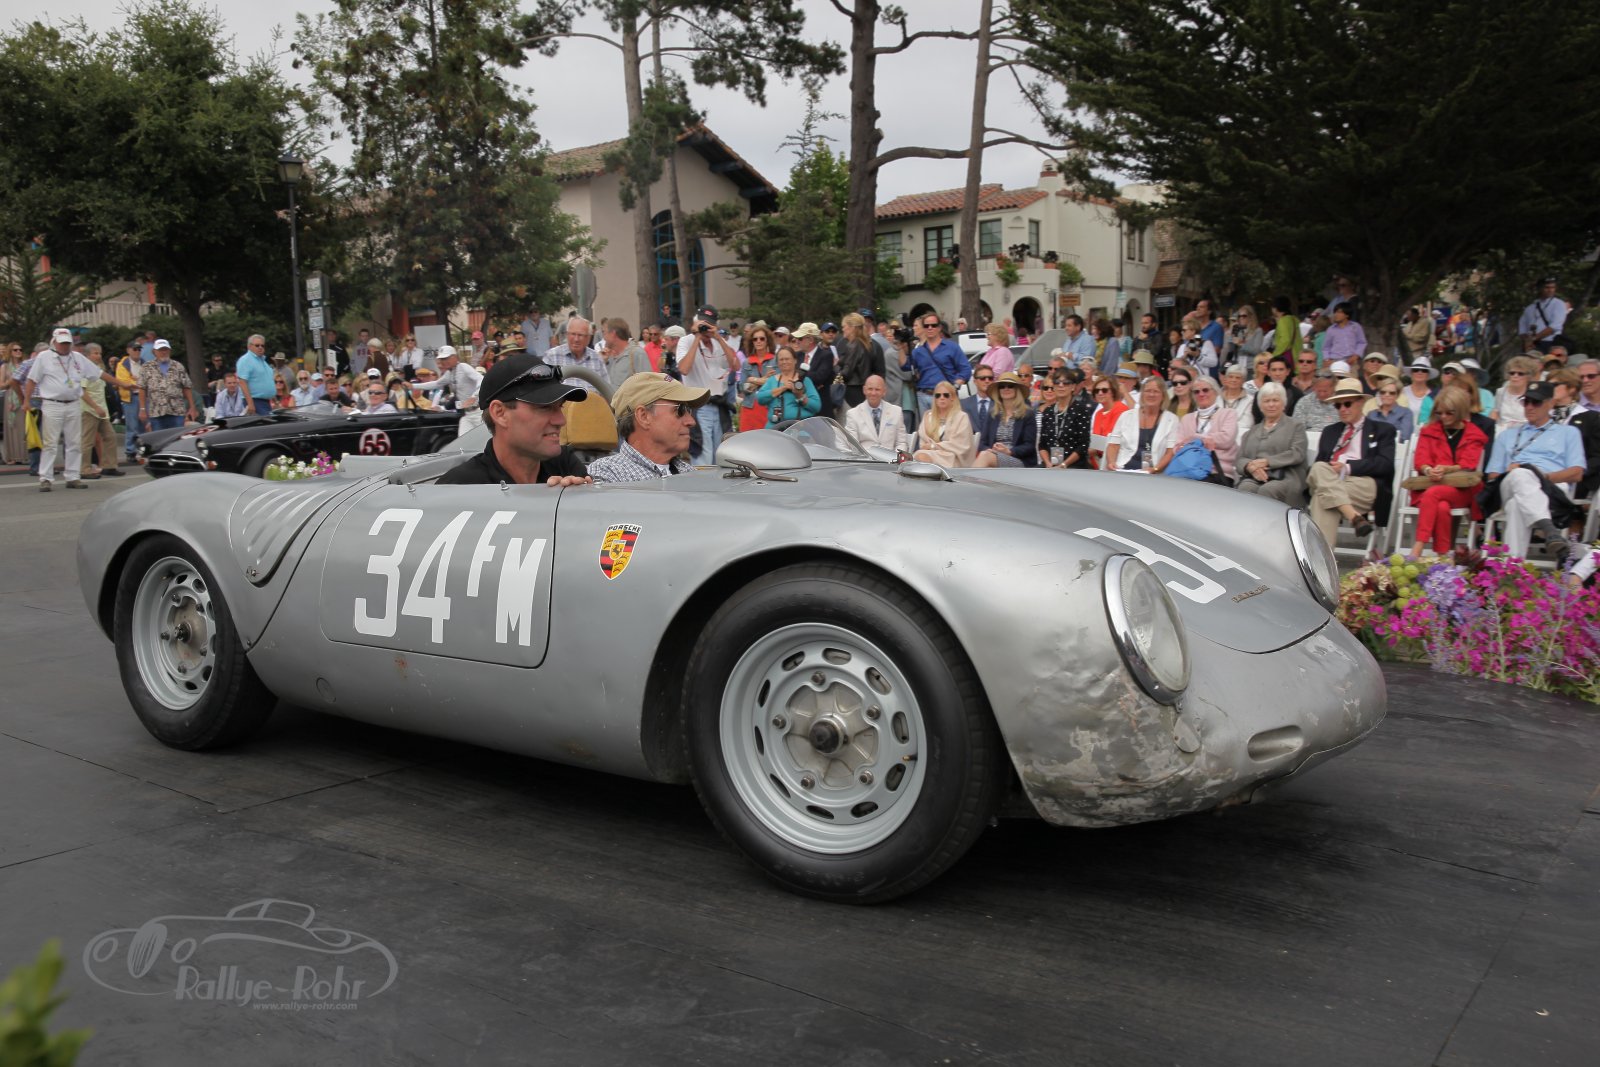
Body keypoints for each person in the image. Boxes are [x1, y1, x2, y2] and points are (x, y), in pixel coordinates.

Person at [437, 355, 590, 486]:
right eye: (544, 407)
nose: (561, 420)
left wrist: (579, 500)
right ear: (500, 413)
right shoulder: (460, 488)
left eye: (560, 406)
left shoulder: (565, 464)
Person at [1480, 380, 1584, 563]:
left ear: (1550, 403)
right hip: (1510, 485)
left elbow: (1577, 473)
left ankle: (1512, 568)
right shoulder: (1507, 435)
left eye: (1536, 402)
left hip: (1552, 488)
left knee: (1516, 505)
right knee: (1520, 474)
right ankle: (1549, 530)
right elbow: (1493, 475)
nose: (1529, 407)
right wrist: (1513, 472)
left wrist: (1541, 476)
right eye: (1526, 401)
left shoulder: (1569, 433)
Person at [22, 328, 122, 490]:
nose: (65, 346)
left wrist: (121, 383)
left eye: (67, 343)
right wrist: (26, 401)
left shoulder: (77, 358)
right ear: (54, 342)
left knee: (74, 442)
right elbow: (32, 380)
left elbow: (98, 373)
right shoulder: (44, 357)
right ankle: (45, 478)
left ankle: (73, 476)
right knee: (50, 443)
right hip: (52, 403)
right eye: (62, 343)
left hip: (73, 403)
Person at [1306, 377, 1398, 545]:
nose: (1342, 409)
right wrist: (1332, 471)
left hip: (1362, 483)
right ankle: (1354, 517)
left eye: (1347, 404)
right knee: (1320, 471)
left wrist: (1347, 468)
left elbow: (1385, 464)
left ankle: (1322, 560)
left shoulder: (1382, 430)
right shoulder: (1330, 432)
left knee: (1322, 496)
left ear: (1361, 402)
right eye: (1338, 405)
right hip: (1331, 481)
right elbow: (1318, 469)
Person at [1403, 389, 1489, 560]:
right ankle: (1443, 556)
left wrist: (1446, 469)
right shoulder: (1429, 431)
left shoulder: (1473, 434)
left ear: (1461, 410)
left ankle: (1418, 546)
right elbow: (1420, 461)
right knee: (1441, 506)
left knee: (1433, 494)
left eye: (1449, 412)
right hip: (1431, 484)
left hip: (1462, 489)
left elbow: (1468, 464)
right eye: (1439, 412)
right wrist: (1429, 470)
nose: (1443, 416)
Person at [588, 372, 710, 484]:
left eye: (689, 410)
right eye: (680, 410)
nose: (691, 421)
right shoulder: (607, 474)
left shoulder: (689, 472)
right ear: (643, 416)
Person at [676, 306, 740, 462]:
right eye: (703, 323)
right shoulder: (686, 341)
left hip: (720, 405)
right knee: (703, 455)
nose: (706, 328)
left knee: (722, 454)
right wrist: (697, 337)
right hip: (699, 406)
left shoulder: (719, 341)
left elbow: (736, 365)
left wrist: (718, 337)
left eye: (709, 324)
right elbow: (684, 369)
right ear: (696, 321)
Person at [1234, 382, 1308, 506]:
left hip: (1286, 476)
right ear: (1260, 406)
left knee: (1268, 490)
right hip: (1255, 476)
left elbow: (1297, 453)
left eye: (1275, 400)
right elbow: (1240, 459)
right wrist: (1250, 467)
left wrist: (1267, 462)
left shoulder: (1296, 426)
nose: (1271, 404)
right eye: (1266, 401)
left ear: (1283, 403)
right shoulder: (1252, 431)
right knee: (1245, 489)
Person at [1105, 377, 1180, 472]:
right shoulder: (1126, 416)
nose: (1151, 394)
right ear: (1142, 394)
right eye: (1148, 391)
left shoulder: (1171, 420)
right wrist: (1111, 462)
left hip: (1152, 473)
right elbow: (1113, 445)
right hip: (1123, 468)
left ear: (1163, 396)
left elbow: (1170, 452)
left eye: (1156, 391)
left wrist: (1155, 469)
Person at [1175, 377, 1239, 479]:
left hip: (1217, 471)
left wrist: (1195, 439)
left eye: (1205, 390)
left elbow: (1226, 439)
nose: (1201, 394)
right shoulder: (1186, 419)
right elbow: (1177, 447)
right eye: (1196, 392)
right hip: (1189, 470)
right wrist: (1206, 441)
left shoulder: (1228, 414)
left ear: (1216, 392)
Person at [903, 315, 967, 415]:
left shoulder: (952, 347)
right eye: (926, 326)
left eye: (933, 325)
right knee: (926, 425)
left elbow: (965, 369)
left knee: (948, 424)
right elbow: (905, 365)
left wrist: (956, 385)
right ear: (923, 328)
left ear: (939, 327)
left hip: (945, 396)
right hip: (923, 396)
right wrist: (899, 346)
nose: (930, 328)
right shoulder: (918, 351)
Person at [972, 372, 1038, 468]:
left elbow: (1029, 445)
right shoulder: (993, 414)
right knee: (985, 454)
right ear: (998, 391)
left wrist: (1009, 451)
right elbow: (982, 443)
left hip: (1018, 459)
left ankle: (966, 478)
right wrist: (990, 450)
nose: (1006, 389)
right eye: (1002, 386)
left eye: (1010, 386)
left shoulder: (1027, 414)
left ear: (1017, 390)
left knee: (985, 456)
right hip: (993, 455)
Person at [136, 340, 198, 433]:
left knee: (177, 437)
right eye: (160, 350)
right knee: (159, 438)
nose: (163, 352)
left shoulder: (178, 366)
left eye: (165, 349)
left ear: (170, 351)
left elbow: (187, 387)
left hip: (177, 411)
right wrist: (142, 409)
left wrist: (192, 407)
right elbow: (142, 388)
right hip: (156, 411)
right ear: (154, 352)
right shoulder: (146, 367)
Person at [912, 382, 976, 467]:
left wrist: (934, 446)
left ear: (952, 398)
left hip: (953, 457)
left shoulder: (961, 417)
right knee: (919, 456)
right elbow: (923, 444)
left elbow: (960, 445)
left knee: (921, 457)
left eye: (946, 395)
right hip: (930, 454)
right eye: (938, 395)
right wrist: (933, 448)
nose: (942, 398)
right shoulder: (928, 416)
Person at [844, 374, 910, 453]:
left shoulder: (896, 412)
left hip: (890, 458)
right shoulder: (853, 414)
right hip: (865, 459)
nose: (873, 393)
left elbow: (902, 443)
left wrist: (895, 458)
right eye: (870, 389)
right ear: (864, 390)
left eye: (877, 389)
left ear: (884, 391)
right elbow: (852, 446)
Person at [755, 346, 820, 425]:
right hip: (775, 426)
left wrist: (800, 396)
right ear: (777, 363)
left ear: (795, 360)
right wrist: (782, 388)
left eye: (787, 359)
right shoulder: (772, 380)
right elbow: (760, 398)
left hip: (799, 427)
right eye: (781, 359)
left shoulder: (804, 381)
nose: (784, 362)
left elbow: (816, 406)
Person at [411, 344, 483, 415]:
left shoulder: (463, 367)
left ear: (454, 357)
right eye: (442, 359)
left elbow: (482, 380)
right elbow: (436, 384)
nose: (443, 362)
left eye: (446, 358)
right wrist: (413, 386)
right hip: (465, 413)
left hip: (477, 411)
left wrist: (474, 397)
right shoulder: (449, 373)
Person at [835, 312, 885, 411]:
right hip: (863, 390)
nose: (843, 329)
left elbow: (846, 373)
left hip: (852, 392)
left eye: (844, 326)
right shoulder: (868, 343)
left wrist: (835, 367)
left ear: (852, 328)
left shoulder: (854, 345)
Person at [543, 316, 608, 389]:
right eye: (573, 334)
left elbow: (606, 390)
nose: (576, 339)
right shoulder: (551, 357)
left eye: (580, 335)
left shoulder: (597, 359)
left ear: (588, 338)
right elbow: (543, 388)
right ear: (567, 335)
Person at [738, 324, 779, 432]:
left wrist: (751, 379)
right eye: (755, 339)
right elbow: (742, 387)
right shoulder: (746, 362)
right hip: (749, 409)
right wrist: (763, 380)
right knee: (747, 440)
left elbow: (776, 385)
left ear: (767, 341)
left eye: (762, 338)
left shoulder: (776, 361)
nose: (758, 341)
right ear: (752, 342)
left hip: (769, 409)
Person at [1490, 355, 1540, 432]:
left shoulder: (1534, 394)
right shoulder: (1500, 392)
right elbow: (1495, 413)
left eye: (1520, 374)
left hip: (1527, 430)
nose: (1515, 376)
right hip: (1502, 431)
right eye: (1512, 373)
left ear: (1529, 376)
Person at [599, 318, 652, 390]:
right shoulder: (608, 357)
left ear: (613, 334)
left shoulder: (637, 354)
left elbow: (648, 386)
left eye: (604, 332)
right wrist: (602, 362)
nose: (603, 337)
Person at [1088, 375, 1127, 469]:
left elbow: (1109, 439)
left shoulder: (1121, 409)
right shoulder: (1098, 413)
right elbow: (1096, 440)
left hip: (1115, 461)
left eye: (1104, 390)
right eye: (1096, 391)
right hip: (1098, 460)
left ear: (1113, 392)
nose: (1100, 393)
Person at [1518, 277, 1566, 354]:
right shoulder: (1530, 307)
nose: (1550, 290)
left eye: (1553, 287)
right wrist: (1527, 341)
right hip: (1530, 344)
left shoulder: (1558, 304)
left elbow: (1554, 326)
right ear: (1540, 288)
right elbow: (1522, 328)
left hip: (1549, 342)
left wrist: (1534, 338)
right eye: (1547, 287)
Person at [2, 342, 29, 466]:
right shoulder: (5, 367)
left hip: (24, 396)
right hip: (10, 398)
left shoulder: (25, 365)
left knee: (24, 427)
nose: (18, 352)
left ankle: (24, 455)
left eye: (20, 349)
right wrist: (12, 380)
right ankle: (12, 456)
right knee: (12, 427)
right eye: (15, 350)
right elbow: (1, 384)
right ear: (10, 352)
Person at [236, 334, 276, 414]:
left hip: (266, 402)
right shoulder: (245, 360)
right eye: (257, 345)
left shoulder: (263, 361)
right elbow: (242, 382)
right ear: (249, 346)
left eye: (262, 345)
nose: (260, 347)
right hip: (255, 401)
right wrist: (250, 404)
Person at [1293, 368, 1341, 434]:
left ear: (1334, 387)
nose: (1322, 394)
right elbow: (1297, 430)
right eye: (1319, 391)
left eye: (1325, 391)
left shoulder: (1341, 402)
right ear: (1313, 387)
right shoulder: (1304, 402)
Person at [1217, 363, 1255, 443]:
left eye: (1238, 378)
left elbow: (1246, 424)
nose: (1234, 380)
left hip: (1239, 440)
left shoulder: (1250, 400)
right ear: (1226, 379)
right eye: (1231, 377)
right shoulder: (1216, 399)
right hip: (1217, 439)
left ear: (1243, 381)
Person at [961, 365, 998, 442]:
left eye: (990, 378)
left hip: (994, 446)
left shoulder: (1000, 404)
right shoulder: (963, 404)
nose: (987, 381)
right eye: (982, 378)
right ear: (975, 381)